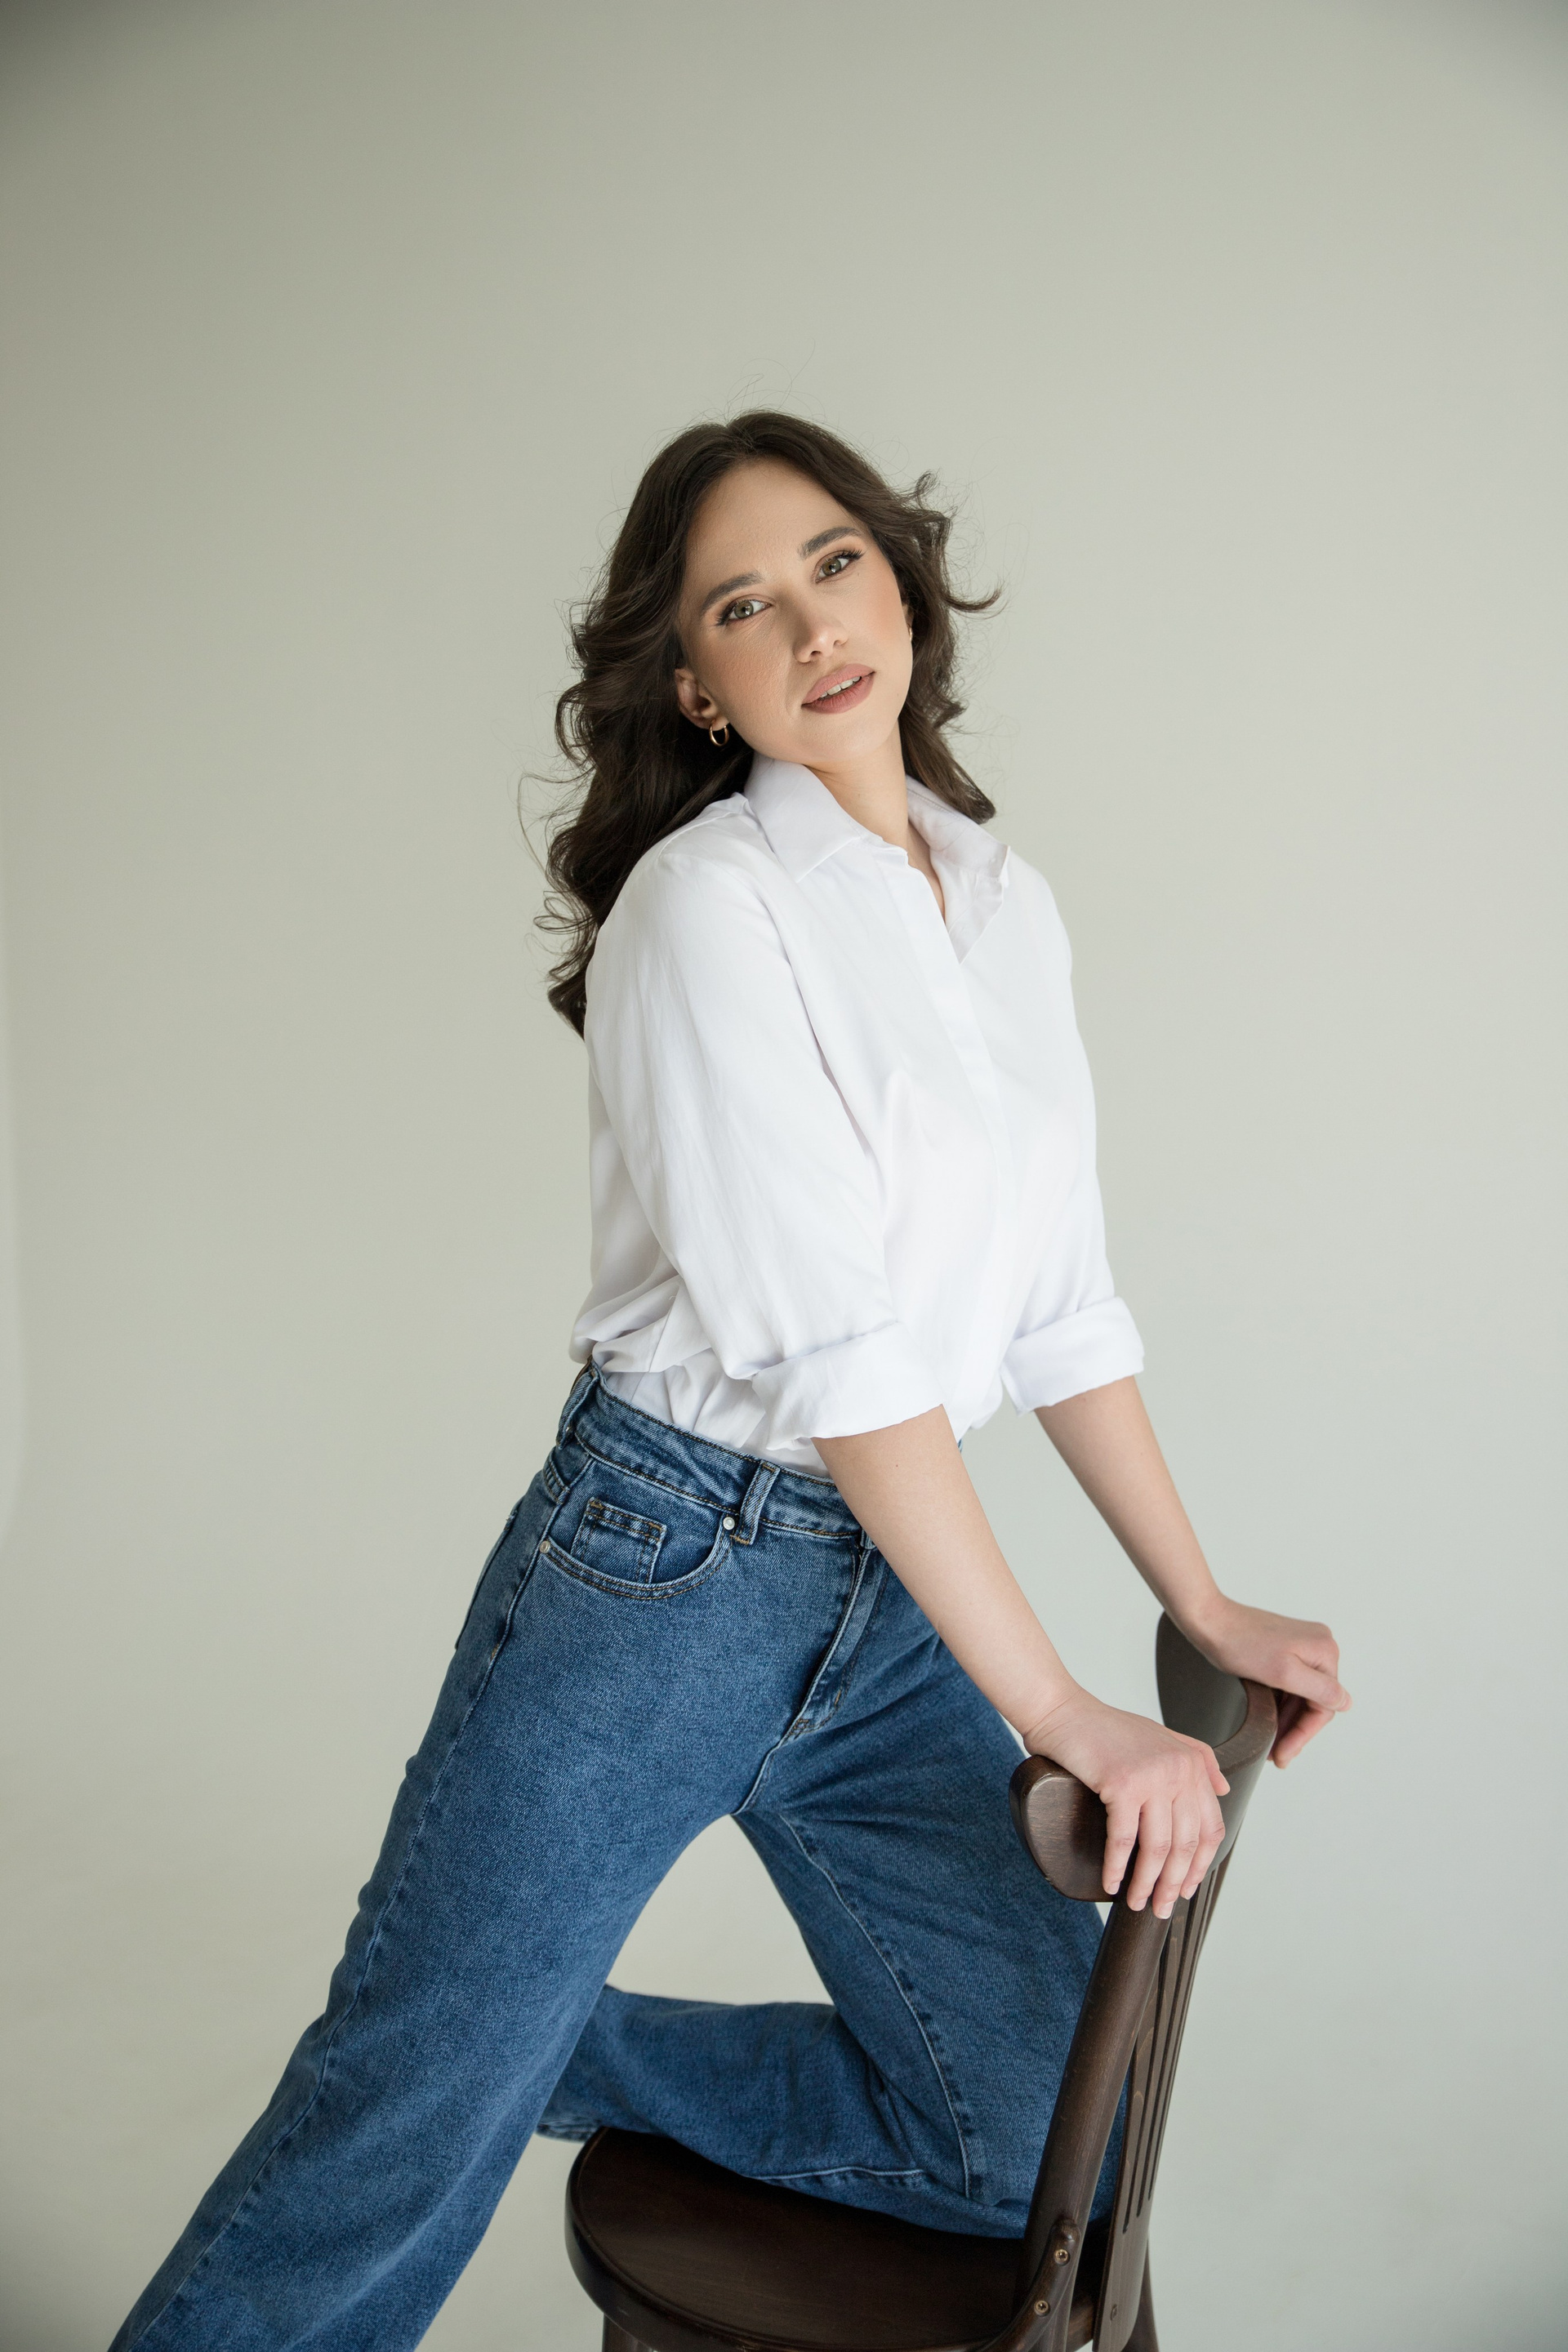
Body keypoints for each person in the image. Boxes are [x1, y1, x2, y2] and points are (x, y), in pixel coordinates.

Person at [109, 412, 1348, 2352]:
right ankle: (462, 2039)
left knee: (1051, 2138)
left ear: (902, 585)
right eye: (743, 606)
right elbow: (848, 1368)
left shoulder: (1002, 904)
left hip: (883, 1590)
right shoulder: (705, 906)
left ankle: (533, 2034)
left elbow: (1059, 1307)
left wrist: (1199, 1603)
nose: (814, 626)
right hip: (660, 1574)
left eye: (836, 563)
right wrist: (1067, 1715)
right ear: (695, 683)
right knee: (393, 2142)